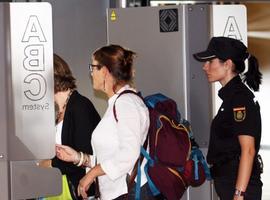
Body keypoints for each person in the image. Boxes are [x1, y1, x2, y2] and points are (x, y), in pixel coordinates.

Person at [55, 45, 154, 200]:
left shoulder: (126, 103)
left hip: (128, 192)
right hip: (118, 193)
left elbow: (129, 154)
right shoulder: (117, 103)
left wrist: (92, 173)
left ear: (105, 71)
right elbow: (110, 155)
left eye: (93, 67)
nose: (91, 73)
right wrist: (78, 158)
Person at [193, 37, 263, 200]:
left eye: (210, 61)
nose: (205, 67)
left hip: (239, 188)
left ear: (227, 64)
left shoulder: (240, 99)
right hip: (230, 184)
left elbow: (248, 150)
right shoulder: (232, 98)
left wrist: (239, 195)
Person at [39, 54, 100, 199]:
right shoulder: (63, 109)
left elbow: (83, 153)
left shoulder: (79, 106)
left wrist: (49, 163)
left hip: (78, 190)